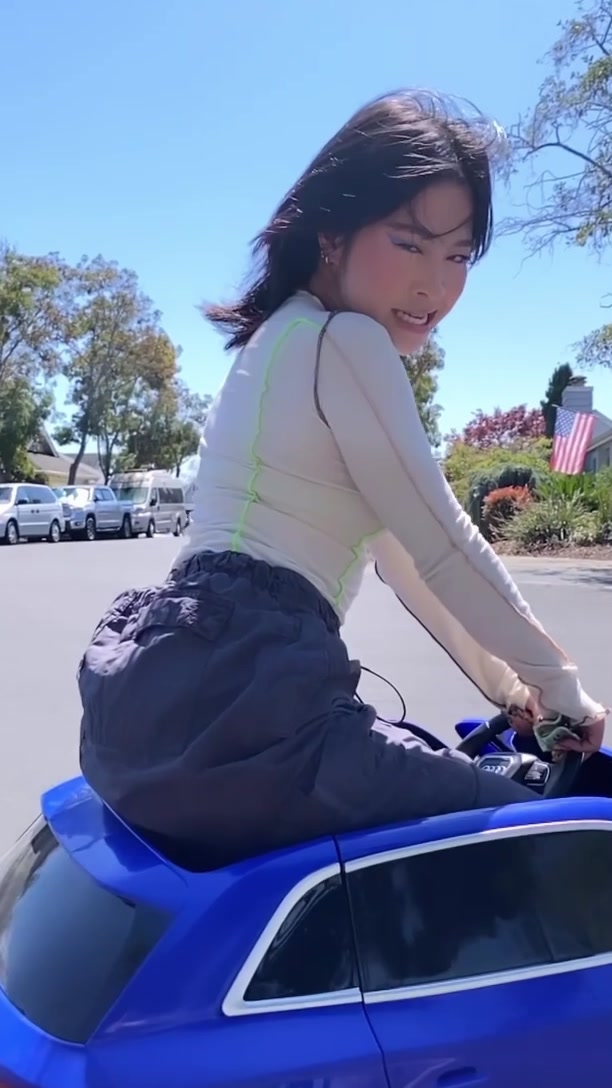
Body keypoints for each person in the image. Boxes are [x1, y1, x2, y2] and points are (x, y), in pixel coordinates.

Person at [78, 90, 607, 870]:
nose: (435, 286)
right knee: (540, 835)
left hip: (159, 699)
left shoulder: (279, 337)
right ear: (331, 234)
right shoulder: (346, 342)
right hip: (255, 703)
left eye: (458, 256)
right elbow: (445, 548)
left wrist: (513, 691)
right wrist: (565, 691)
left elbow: (408, 560)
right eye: (409, 243)